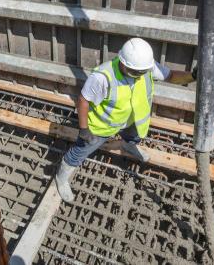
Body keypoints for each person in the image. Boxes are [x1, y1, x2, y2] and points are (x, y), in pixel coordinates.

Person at [55, 38, 196, 202]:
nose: (138, 75)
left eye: (141, 72)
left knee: (133, 137)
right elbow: (83, 100)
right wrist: (84, 129)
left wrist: (192, 76)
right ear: (122, 61)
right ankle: (61, 178)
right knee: (81, 151)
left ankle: (128, 146)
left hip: (132, 119)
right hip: (102, 127)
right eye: (134, 71)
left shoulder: (146, 67)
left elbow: (171, 76)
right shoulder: (103, 76)